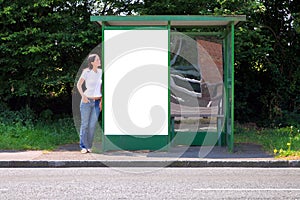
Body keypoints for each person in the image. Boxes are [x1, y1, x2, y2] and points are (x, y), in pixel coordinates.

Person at [77, 54, 102, 154]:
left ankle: (89, 146)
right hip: (86, 101)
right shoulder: (86, 72)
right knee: (85, 125)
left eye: (99, 59)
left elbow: (103, 87)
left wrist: (101, 101)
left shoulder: (101, 72)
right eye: (97, 60)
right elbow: (79, 85)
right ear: (92, 62)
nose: (99, 61)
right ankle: (83, 146)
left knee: (92, 125)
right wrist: (83, 96)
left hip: (97, 102)